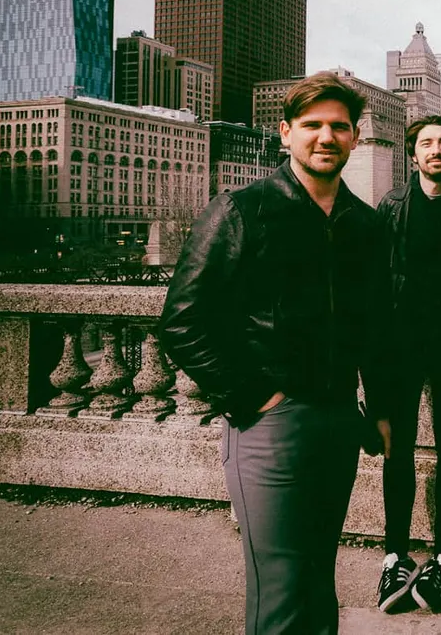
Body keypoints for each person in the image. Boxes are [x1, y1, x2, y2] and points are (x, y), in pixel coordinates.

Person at [160, 72, 393, 634]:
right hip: (271, 422)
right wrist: (255, 397)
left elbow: (378, 329)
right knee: (281, 588)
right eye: (312, 126)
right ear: (285, 133)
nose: (326, 136)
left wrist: (380, 408)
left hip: (340, 417)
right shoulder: (243, 209)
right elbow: (183, 320)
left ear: (356, 138)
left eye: (339, 127)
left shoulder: (365, 224)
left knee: (319, 580)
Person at [374, 115, 441, 613]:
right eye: (426, 143)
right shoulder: (391, 206)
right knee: (397, 450)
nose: (436, 150)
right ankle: (394, 555)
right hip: (400, 347)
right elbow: (373, 285)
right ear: (413, 155)